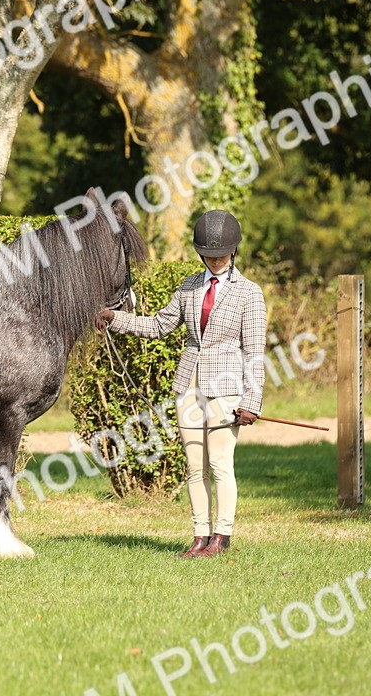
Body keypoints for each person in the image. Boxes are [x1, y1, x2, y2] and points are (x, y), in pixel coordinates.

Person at [96, 210, 267, 558]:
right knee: (193, 466)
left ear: (234, 251)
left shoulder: (250, 293)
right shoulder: (189, 286)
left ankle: (222, 536)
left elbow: (254, 352)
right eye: (209, 254)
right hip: (188, 385)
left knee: (220, 464)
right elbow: (159, 325)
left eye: (221, 254)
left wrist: (253, 400)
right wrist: (116, 319)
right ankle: (199, 536)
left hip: (226, 389)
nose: (215, 260)